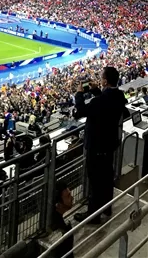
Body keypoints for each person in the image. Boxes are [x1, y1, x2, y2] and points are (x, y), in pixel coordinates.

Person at [74, 67, 129, 223]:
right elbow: (107, 104)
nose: (99, 79)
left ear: (105, 81)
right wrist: (98, 91)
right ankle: (107, 207)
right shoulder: (118, 95)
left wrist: (79, 94)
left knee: (96, 182)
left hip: (97, 147)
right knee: (106, 178)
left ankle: (93, 215)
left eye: (101, 77)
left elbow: (82, 110)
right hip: (109, 145)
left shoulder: (100, 101)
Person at [49, 181, 75, 258]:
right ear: (58, 205)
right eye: (68, 196)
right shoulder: (59, 232)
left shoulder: (64, 221)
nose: (72, 198)